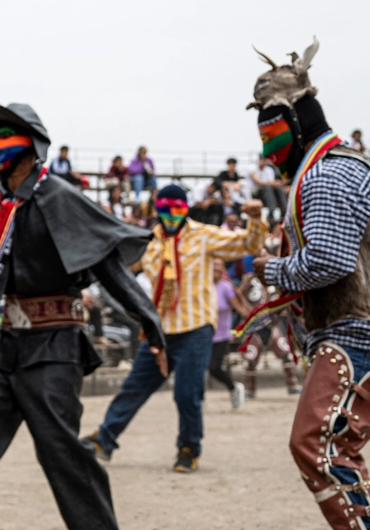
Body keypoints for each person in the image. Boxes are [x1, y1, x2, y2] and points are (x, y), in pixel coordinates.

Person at [0, 101, 165, 530]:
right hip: (4, 348)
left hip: (55, 349)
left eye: (7, 137)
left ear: (31, 146)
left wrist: (151, 326)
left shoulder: (62, 197)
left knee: (61, 451)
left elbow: (110, 268)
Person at [240, 40, 370, 530]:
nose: (266, 148)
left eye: (272, 131)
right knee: (328, 448)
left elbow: (329, 261)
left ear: (296, 124)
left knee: (319, 447)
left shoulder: (327, 174)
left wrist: (272, 270)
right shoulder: (347, 165)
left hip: (363, 335)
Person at [83, 185, 266, 473]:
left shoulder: (204, 235)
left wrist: (255, 220)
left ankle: (188, 447)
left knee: (187, 392)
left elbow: (248, 244)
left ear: (186, 208)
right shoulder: (147, 242)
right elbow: (118, 265)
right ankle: (104, 440)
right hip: (161, 330)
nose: (170, 215)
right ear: (156, 209)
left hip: (196, 328)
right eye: (164, 208)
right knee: (133, 387)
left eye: (177, 208)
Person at [207, 260, 249, 409]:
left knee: (214, 367)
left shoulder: (226, 287)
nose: (216, 269)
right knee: (198, 367)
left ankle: (233, 387)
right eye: (213, 266)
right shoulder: (203, 286)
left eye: (219, 267)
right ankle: (197, 400)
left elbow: (239, 306)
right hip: (204, 334)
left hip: (222, 335)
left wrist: (252, 319)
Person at [251, 155, 286, 223]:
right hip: (255, 191)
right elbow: (258, 182)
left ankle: (284, 209)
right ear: (258, 160)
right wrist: (272, 183)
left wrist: (277, 184)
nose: (263, 162)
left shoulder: (269, 170)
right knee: (268, 188)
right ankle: (271, 211)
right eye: (262, 160)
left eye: (265, 160)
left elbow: (271, 182)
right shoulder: (252, 168)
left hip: (267, 191)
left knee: (278, 188)